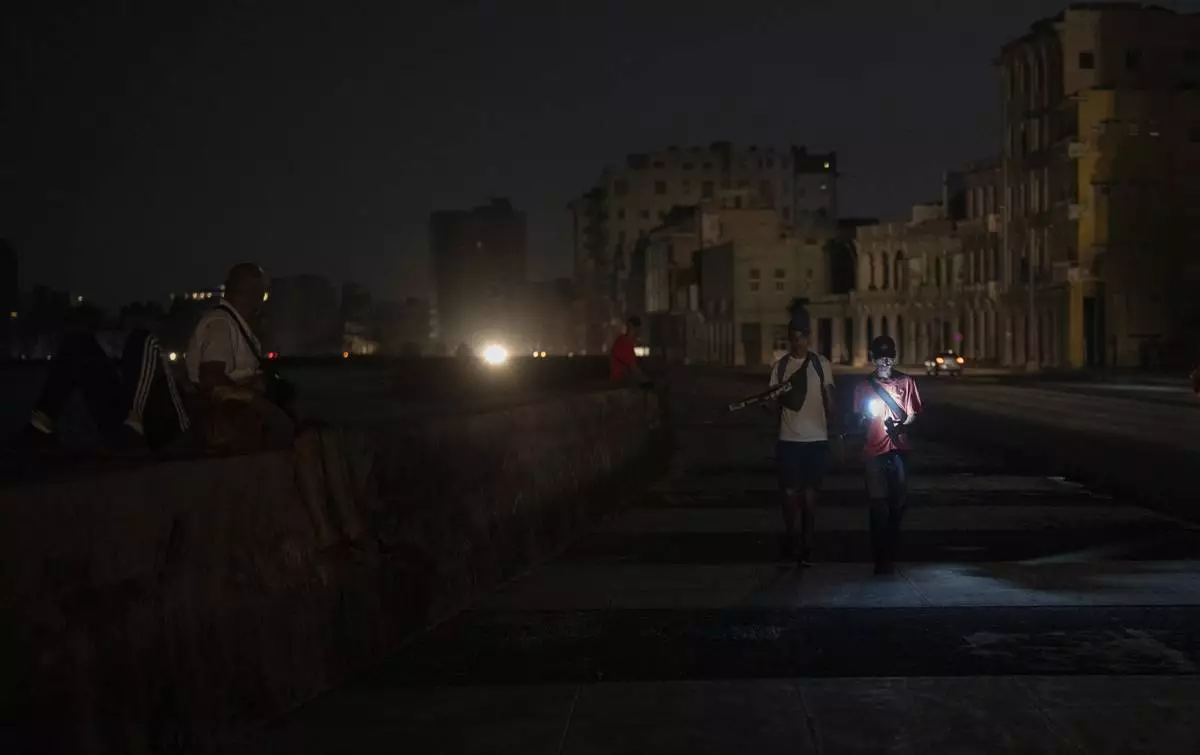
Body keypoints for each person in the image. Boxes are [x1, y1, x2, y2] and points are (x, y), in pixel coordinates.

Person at [13, 312, 190, 453]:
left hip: (165, 428)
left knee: (144, 339)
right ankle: (40, 426)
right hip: (125, 423)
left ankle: (134, 426)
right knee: (77, 342)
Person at [186, 263, 293, 452]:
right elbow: (210, 378)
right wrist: (253, 396)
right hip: (235, 418)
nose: (263, 300)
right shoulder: (221, 325)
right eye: (262, 293)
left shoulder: (230, 323)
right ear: (252, 292)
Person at [768, 301, 836, 566]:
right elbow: (773, 403)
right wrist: (772, 405)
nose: (797, 343)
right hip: (789, 440)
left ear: (808, 337)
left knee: (809, 497)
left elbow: (829, 399)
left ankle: (807, 544)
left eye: (801, 337)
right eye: (793, 338)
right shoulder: (780, 367)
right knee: (788, 494)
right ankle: (791, 540)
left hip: (816, 440)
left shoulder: (821, 364)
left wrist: (834, 426)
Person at [852, 335, 923, 576]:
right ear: (873, 358)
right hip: (873, 451)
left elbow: (913, 414)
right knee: (877, 505)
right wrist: (862, 420)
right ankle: (881, 557)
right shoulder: (863, 387)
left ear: (894, 357)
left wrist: (903, 425)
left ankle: (890, 548)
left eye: (888, 356)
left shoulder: (906, 382)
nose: (884, 361)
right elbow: (857, 419)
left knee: (898, 504)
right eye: (880, 357)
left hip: (899, 450)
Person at [610, 316, 648, 384]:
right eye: (639, 329)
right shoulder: (624, 342)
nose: (641, 332)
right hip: (620, 383)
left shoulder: (624, 341)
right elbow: (634, 369)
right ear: (636, 328)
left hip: (622, 381)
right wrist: (647, 381)